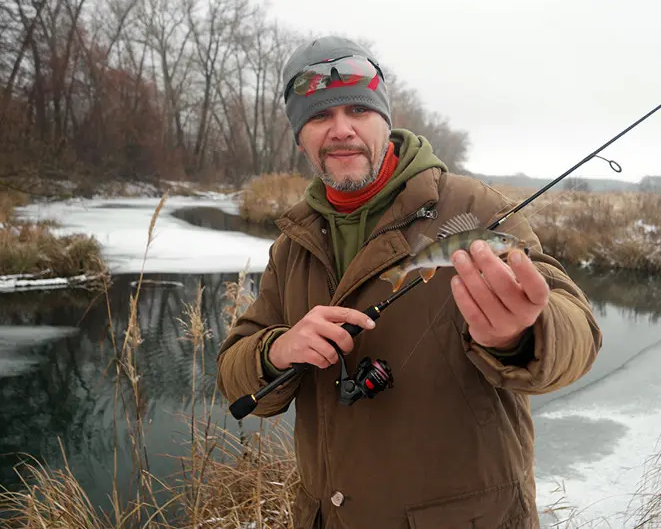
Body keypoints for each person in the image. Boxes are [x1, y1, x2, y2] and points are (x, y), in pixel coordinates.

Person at [216, 36, 602, 529]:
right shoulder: (295, 243)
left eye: (358, 109)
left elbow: (578, 337)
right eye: (318, 117)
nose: (341, 130)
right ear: (299, 136)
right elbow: (232, 372)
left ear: (385, 118)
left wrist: (522, 334)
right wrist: (276, 351)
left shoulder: (475, 208)